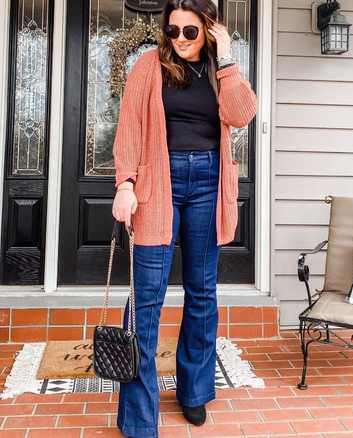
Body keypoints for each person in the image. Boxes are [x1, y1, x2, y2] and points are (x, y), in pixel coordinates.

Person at [110, 0, 257, 436]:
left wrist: (227, 58)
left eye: (189, 32)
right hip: (160, 183)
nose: (179, 40)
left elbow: (242, 114)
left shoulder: (218, 68)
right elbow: (129, 128)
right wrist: (125, 183)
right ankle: (139, 416)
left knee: (202, 292)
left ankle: (193, 392)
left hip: (209, 183)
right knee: (146, 299)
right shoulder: (149, 66)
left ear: (208, 30)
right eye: (172, 31)